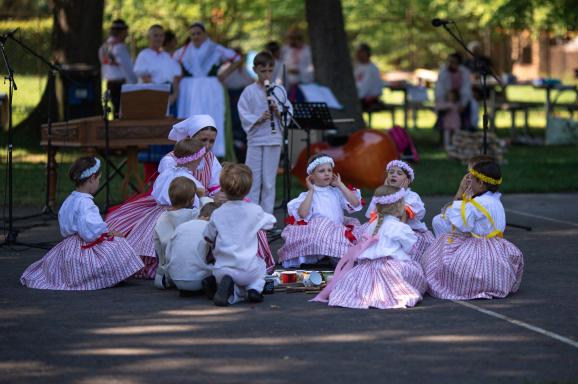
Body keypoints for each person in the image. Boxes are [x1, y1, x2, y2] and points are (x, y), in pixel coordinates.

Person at [20, 157, 143, 290]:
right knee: (119, 244)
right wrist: (109, 233)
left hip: (69, 246)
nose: (98, 183)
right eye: (98, 179)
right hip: (85, 245)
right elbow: (91, 233)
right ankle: (104, 277)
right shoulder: (86, 204)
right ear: (92, 178)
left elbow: (65, 226)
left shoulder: (69, 200)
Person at [422, 160, 524, 300]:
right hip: (497, 249)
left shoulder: (478, 203)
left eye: (472, 180)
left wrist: (461, 197)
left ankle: (458, 281)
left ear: (481, 183)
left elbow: (463, 225)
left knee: (443, 246)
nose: (469, 183)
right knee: (442, 225)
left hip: (480, 249)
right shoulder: (494, 200)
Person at [312, 185, 427, 309]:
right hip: (391, 264)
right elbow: (409, 246)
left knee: (360, 283)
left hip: (367, 266)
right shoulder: (399, 227)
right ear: (398, 206)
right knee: (413, 272)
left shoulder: (372, 224)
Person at [125, 138, 206, 279]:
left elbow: (157, 193)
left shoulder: (169, 172)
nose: (200, 162)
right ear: (191, 160)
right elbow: (195, 200)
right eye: (199, 159)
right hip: (179, 212)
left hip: (160, 211)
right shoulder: (186, 179)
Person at [203, 163, 277, 306]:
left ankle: (224, 288)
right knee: (261, 265)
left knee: (222, 273)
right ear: (249, 189)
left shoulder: (218, 213)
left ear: (222, 188)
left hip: (221, 269)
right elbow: (271, 223)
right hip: (247, 269)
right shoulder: (254, 210)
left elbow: (208, 236)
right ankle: (254, 289)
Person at [278, 154, 362, 268]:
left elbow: (355, 203)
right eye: (321, 171)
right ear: (311, 176)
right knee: (322, 225)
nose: (327, 173)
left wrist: (340, 185)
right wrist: (311, 191)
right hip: (319, 233)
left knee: (353, 237)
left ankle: (334, 257)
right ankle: (324, 256)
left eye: (329, 170)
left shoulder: (336, 192)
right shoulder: (308, 195)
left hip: (337, 232)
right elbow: (302, 214)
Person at [173, 21, 240, 158]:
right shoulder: (183, 51)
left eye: (198, 33)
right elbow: (173, 66)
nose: (196, 36)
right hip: (189, 91)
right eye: (193, 34)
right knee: (191, 118)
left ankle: (213, 151)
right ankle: (188, 151)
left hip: (211, 89)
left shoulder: (215, 49)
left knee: (211, 117)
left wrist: (225, 74)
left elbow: (237, 58)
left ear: (204, 34)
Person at [238, 51, 292, 214]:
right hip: (255, 139)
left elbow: (289, 112)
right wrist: (258, 118)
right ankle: (251, 215)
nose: (267, 74)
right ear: (255, 70)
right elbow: (243, 112)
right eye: (263, 71)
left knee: (269, 181)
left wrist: (278, 112)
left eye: (270, 71)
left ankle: (267, 218)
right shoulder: (248, 91)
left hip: (273, 139)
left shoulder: (279, 90)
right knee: (253, 180)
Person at [133, 24, 183, 181]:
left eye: (161, 35)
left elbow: (176, 76)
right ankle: (151, 178)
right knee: (154, 136)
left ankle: (168, 176)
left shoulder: (167, 56)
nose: (158, 38)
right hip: (154, 96)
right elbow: (146, 78)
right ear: (149, 37)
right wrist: (160, 96)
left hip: (169, 96)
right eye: (155, 35)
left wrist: (174, 94)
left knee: (168, 135)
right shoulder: (144, 55)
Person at [366, 160, 435, 264]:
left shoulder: (412, 197)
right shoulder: (382, 193)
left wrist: (399, 193)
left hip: (405, 230)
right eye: (391, 172)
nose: (394, 175)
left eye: (399, 173)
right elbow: (370, 214)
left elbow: (402, 219)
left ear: (408, 180)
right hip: (384, 228)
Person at [153, 177, 201, 290]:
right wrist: (203, 197)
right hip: (192, 270)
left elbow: (157, 245)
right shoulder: (195, 214)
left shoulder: (161, 218)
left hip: (166, 275)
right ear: (190, 200)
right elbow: (209, 211)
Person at [432, 155, 495, 237]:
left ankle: (450, 247)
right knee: (439, 220)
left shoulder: (481, 199)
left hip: (476, 234)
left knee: (439, 221)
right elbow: (449, 212)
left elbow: (457, 218)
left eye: (472, 173)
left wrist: (462, 194)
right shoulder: (471, 190)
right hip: (468, 227)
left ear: (481, 181)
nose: (468, 176)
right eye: (468, 172)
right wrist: (461, 190)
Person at [165, 202, 218, 295]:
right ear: (210, 218)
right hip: (200, 279)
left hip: (176, 279)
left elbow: (168, 254)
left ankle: (187, 285)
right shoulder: (209, 228)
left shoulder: (181, 227)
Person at [218, 47, 254, 163]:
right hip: (230, 97)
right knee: (233, 122)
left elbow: (250, 81)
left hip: (242, 97)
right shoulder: (225, 68)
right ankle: (234, 144)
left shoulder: (243, 69)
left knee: (242, 122)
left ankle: (241, 145)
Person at [98, 19, 137, 118]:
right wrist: (134, 83)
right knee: (121, 111)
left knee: (112, 109)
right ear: (121, 32)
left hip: (107, 83)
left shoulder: (104, 47)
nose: (126, 34)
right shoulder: (120, 47)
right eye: (125, 32)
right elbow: (128, 68)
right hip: (121, 84)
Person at [435, 52, 475, 132]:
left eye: (453, 62)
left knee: (470, 107)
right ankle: (443, 134)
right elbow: (439, 89)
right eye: (450, 61)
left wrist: (463, 104)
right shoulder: (443, 72)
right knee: (444, 114)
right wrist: (444, 103)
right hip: (446, 100)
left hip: (461, 101)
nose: (451, 64)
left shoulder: (464, 73)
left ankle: (466, 131)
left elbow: (466, 90)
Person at [280, 27, 314, 101]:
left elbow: (311, 68)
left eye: (292, 39)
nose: (289, 42)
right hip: (290, 86)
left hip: (304, 85)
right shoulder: (287, 50)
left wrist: (299, 71)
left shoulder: (308, 51)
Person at [354, 43, 384, 110]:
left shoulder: (372, 69)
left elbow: (366, 87)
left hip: (368, 99)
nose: (357, 55)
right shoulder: (357, 67)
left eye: (360, 52)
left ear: (366, 53)